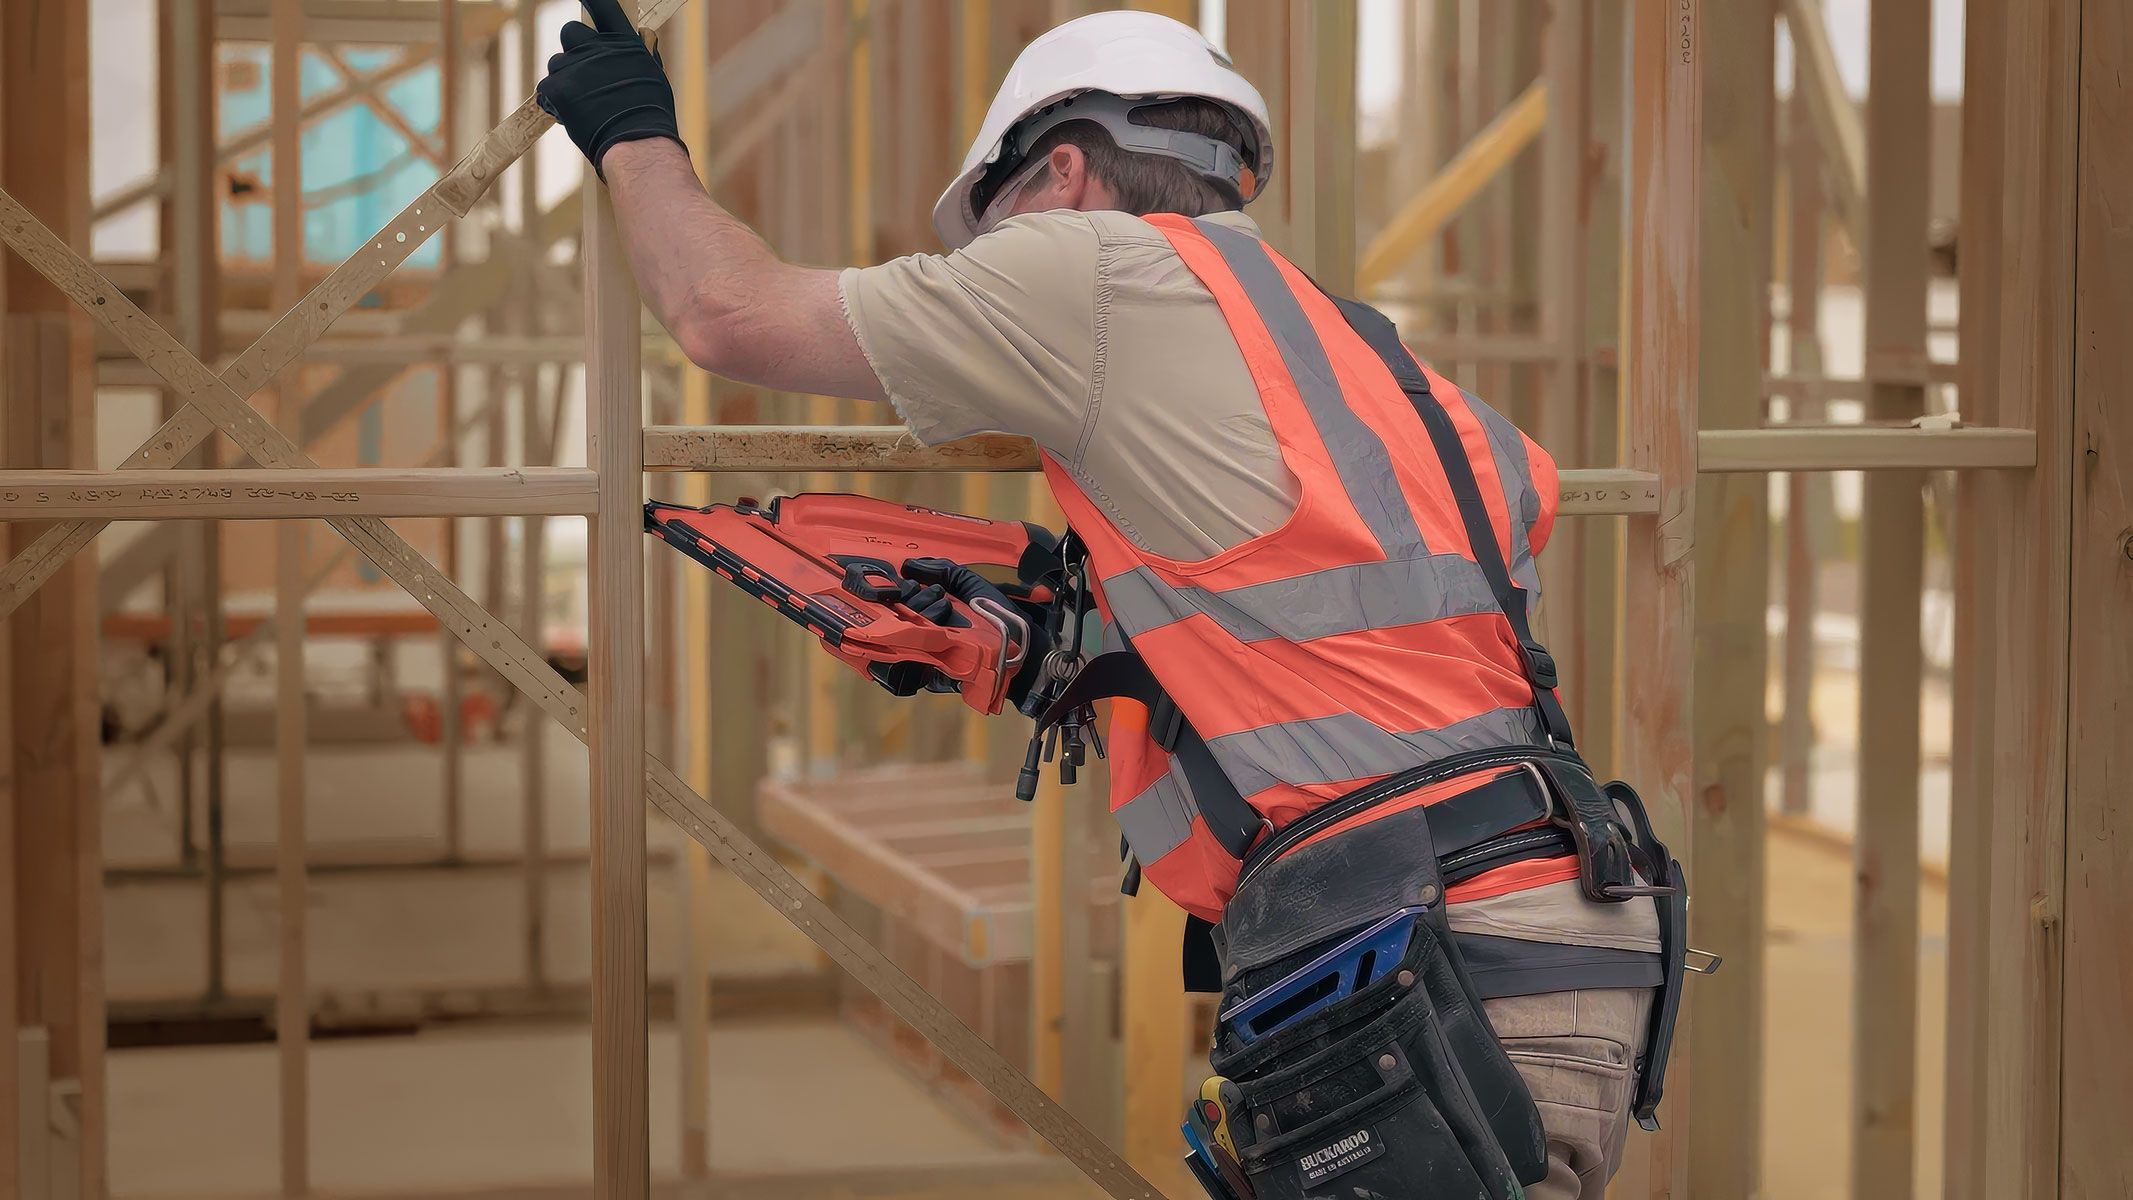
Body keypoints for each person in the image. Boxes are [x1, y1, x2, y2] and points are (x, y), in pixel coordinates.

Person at [540, 7, 1687, 1198]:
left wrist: (634, 133)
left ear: (1069, 171)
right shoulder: (1367, 359)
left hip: (1423, 964)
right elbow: (1354, 647)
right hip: (1564, 928)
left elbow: (726, 314)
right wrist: (1105, 651)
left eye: (992, 228)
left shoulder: (1084, 269)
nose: (978, 274)